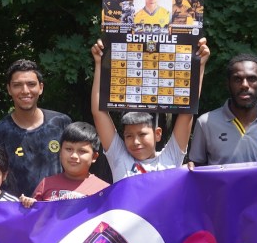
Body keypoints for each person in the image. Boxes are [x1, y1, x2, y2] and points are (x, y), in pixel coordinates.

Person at [90, 38, 210, 181]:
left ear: (157, 133)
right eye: (129, 136)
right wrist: (99, 63)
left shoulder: (170, 156)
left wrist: (198, 66)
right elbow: (98, 112)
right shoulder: (119, 157)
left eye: (142, 134)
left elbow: (187, 111)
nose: (135, 141)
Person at [0, 59, 72, 197]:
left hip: (57, 210)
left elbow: (78, 167)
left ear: (40, 87)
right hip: (16, 213)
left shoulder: (61, 123)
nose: (25, 91)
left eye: (31, 84)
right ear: (9, 89)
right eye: (17, 85)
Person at [188, 53, 257, 166]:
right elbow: (196, 170)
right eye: (237, 79)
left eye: (251, 79)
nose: (244, 85)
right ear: (228, 84)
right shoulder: (206, 123)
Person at [29, 122, 109, 201]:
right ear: (60, 152)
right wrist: (27, 204)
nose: (74, 156)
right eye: (69, 149)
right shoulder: (45, 184)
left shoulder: (105, 190)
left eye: (82, 151)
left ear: (94, 157)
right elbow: (34, 212)